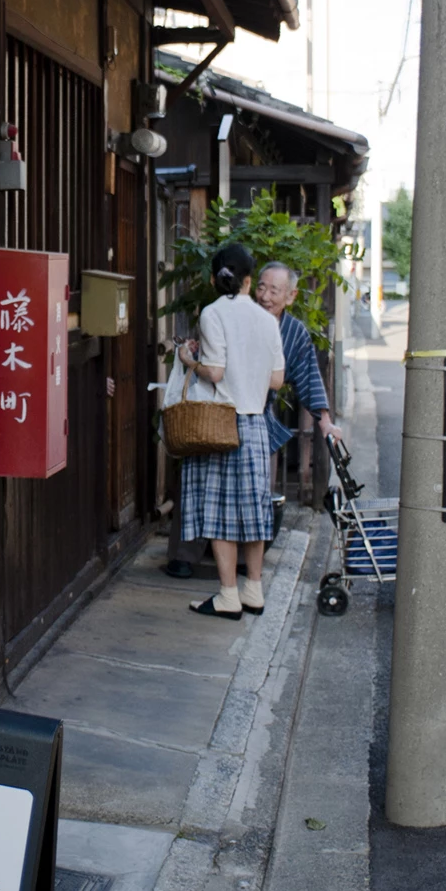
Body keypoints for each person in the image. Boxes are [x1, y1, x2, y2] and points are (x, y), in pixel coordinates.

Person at [168, 240, 285, 619]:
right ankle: (254, 589)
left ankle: (228, 595)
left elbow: (215, 372)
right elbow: (277, 381)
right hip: (255, 425)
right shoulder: (268, 320)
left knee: (219, 513)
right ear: (249, 281)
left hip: (219, 422)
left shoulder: (212, 313)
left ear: (218, 280)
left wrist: (189, 359)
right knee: (253, 513)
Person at [255, 263, 336, 464]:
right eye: (261, 288)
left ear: (291, 296)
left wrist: (325, 423)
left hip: (261, 421)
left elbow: (309, 378)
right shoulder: (242, 320)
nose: (265, 297)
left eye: (274, 291)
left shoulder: (294, 331)